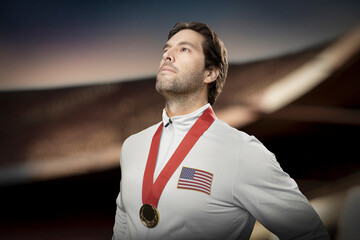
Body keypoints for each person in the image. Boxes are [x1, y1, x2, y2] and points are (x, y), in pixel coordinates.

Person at [112, 22, 329, 240]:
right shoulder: (133, 146)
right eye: (166, 49)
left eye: (184, 49)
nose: (167, 55)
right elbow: (122, 230)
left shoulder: (242, 152)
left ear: (210, 73)